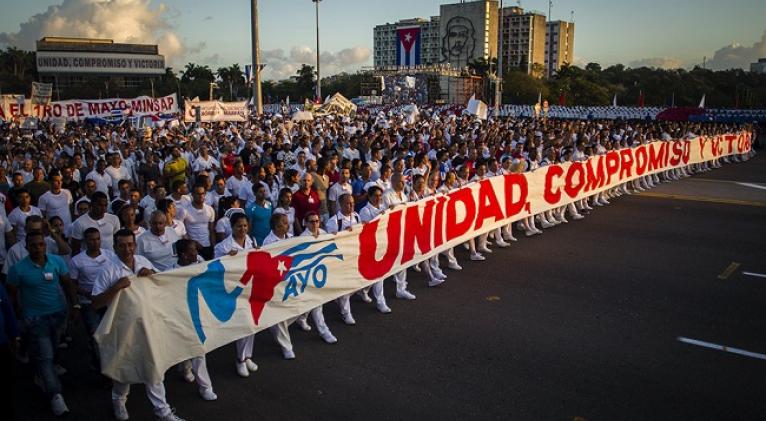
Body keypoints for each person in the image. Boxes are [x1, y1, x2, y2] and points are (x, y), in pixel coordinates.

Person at [91, 229, 184, 421]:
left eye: (130, 244)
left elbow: (159, 284)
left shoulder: (143, 261)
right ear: (115, 247)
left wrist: (151, 274)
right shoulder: (107, 270)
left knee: (153, 366)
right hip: (122, 328)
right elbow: (96, 303)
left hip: (149, 324)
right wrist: (116, 287)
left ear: (135, 245)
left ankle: (163, 411)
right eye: (122, 245)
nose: (127, 249)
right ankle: (118, 400)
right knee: (124, 368)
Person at [7, 231, 78, 417]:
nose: (37, 248)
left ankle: (42, 374)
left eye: (40, 244)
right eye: (33, 245)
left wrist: (75, 304)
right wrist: (17, 318)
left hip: (58, 316)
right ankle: (56, 396)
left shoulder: (56, 262)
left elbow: (68, 283)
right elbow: (12, 295)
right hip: (35, 320)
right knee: (46, 356)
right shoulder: (18, 269)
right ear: (27, 247)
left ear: (45, 245)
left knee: (52, 351)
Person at [213, 213, 259, 378]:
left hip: (251, 288)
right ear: (231, 227)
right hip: (235, 291)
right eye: (239, 226)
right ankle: (239, 360)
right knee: (244, 324)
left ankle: (247, 356)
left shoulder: (251, 241)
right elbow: (216, 269)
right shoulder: (223, 247)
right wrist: (227, 258)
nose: (243, 229)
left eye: (245, 226)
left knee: (253, 324)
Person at [173, 239, 218, 401]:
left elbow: (211, 271)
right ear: (184, 255)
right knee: (195, 349)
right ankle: (202, 383)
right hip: (182, 316)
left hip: (199, 313)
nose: (196, 253)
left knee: (198, 349)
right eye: (192, 251)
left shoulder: (198, 261)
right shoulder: (171, 274)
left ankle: (196, 378)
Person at [68, 227, 114, 368]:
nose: (95, 242)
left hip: (109, 302)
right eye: (92, 239)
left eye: (98, 239)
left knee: (111, 335)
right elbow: (73, 285)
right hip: (89, 303)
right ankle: (102, 367)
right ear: (85, 241)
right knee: (96, 336)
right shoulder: (77, 261)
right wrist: (87, 295)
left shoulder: (110, 255)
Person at [295, 211, 339, 343]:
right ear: (305, 223)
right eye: (311, 221)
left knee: (313, 302)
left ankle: (302, 317)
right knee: (317, 303)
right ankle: (324, 331)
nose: (315, 224)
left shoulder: (323, 233)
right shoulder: (303, 238)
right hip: (308, 276)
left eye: (317, 221)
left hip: (322, 274)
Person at [261, 212, 297, 359]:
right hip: (275, 283)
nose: (287, 225)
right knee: (280, 315)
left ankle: (274, 325)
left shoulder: (291, 238)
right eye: (283, 223)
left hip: (291, 280)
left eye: (287, 222)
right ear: (276, 226)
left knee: (298, 309)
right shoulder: (268, 242)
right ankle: (286, 347)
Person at [382, 173, 416, 300]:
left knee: (402, 258)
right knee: (386, 262)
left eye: (404, 182)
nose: (403, 184)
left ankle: (401, 288)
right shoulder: (386, 195)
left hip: (402, 230)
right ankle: (366, 289)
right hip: (389, 231)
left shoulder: (403, 194)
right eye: (401, 182)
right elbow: (385, 213)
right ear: (394, 181)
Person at [182, 184, 216, 260]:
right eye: (198, 194)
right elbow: (182, 231)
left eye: (203, 193)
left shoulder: (210, 209)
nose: (201, 196)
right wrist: (192, 243)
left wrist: (214, 248)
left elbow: (212, 231)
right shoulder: (185, 211)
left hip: (208, 246)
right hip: (192, 248)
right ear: (192, 195)